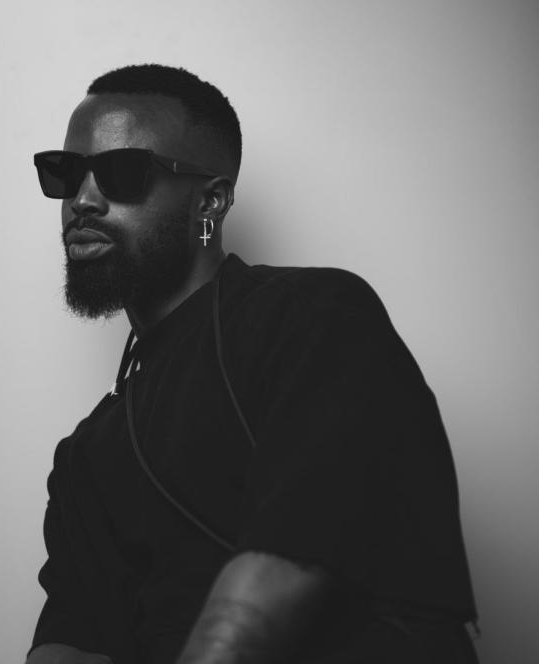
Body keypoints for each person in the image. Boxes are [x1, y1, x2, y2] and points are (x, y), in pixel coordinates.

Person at [26, 64, 479, 664]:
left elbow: (301, 550)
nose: (83, 200)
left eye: (122, 173)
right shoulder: (86, 451)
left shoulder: (311, 315)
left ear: (210, 203)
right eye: (65, 173)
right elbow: (69, 638)